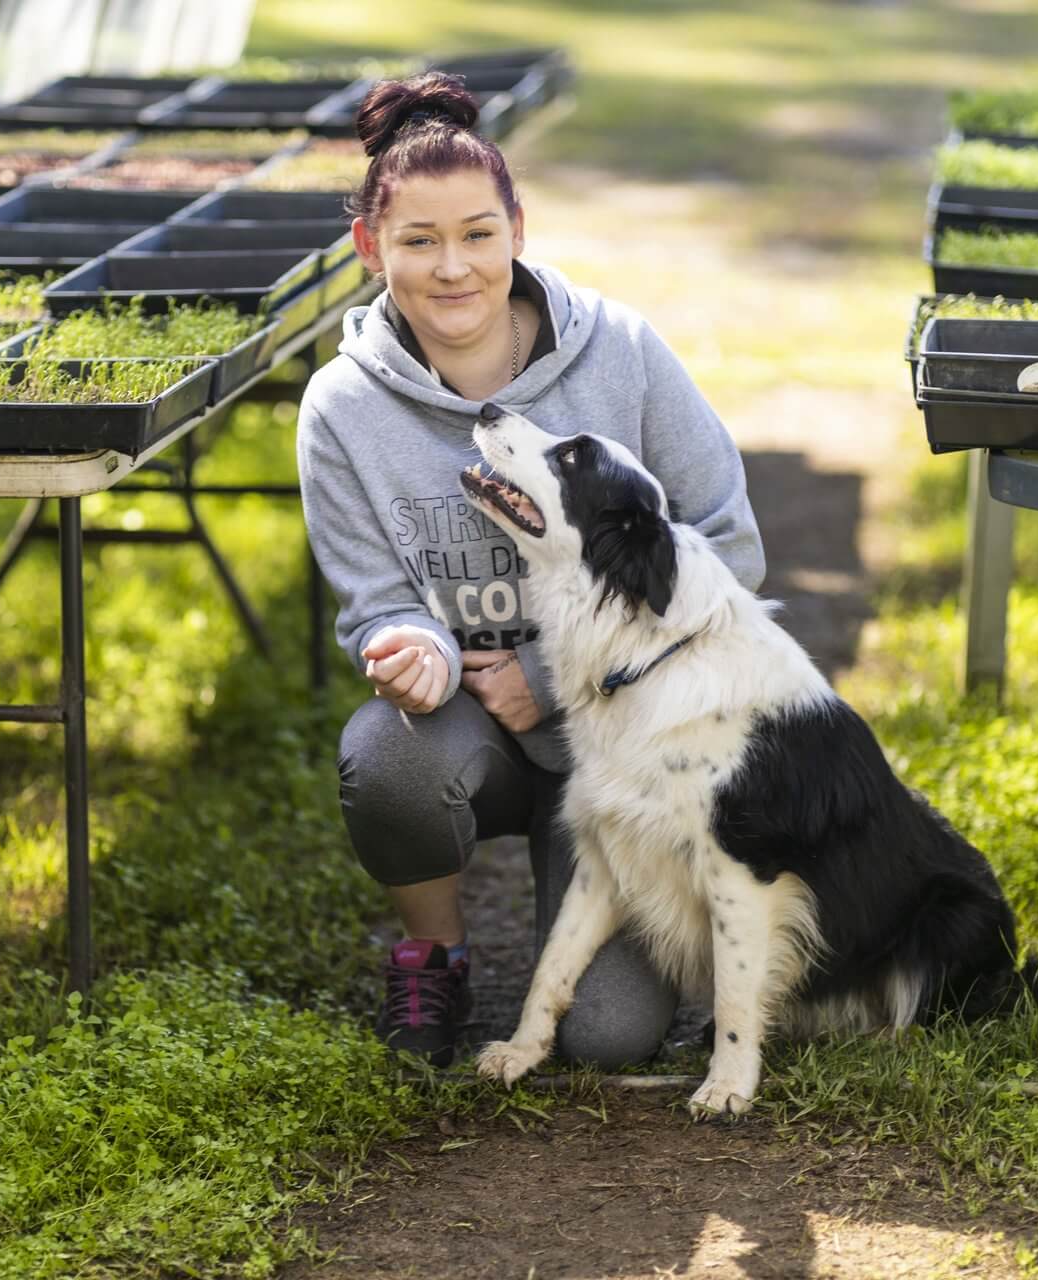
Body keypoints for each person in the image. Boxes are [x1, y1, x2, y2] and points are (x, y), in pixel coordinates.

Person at [296, 71, 767, 1068]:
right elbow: (377, 595)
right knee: (385, 759)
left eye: (477, 234)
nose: (452, 267)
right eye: (418, 241)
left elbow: (729, 545)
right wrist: (409, 646)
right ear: (370, 248)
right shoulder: (340, 408)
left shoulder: (623, 354)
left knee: (612, 1035)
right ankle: (437, 952)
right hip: (463, 724)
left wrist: (553, 678)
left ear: (518, 227)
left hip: (621, 741)